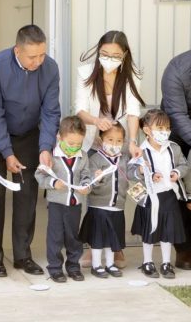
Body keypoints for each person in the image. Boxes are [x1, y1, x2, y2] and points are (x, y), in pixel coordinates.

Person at [0, 25, 61, 277]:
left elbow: (51, 112)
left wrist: (45, 147)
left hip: (30, 135)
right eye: (32, 57)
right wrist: (6, 152)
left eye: (42, 55)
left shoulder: (50, 68)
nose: (38, 61)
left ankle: (23, 255)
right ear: (17, 50)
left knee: (27, 196)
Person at [75, 30, 145, 268]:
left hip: (120, 140)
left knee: (120, 192)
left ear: (124, 55)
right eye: (104, 53)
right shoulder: (86, 72)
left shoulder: (131, 76)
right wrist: (96, 121)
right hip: (94, 141)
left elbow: (134, 111)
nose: (109, 58)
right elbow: (80, 109)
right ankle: (92, 246)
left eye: (115, 55)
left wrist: (133, 141)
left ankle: (116, 248)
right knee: (95, 191)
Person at [130, 109, 188, 279]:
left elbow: (184, 165)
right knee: (150, 230)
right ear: (147, 130)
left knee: (167, 231)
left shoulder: (174, 148)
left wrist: (177, 172)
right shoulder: (140, 150)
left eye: (167, 128)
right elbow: (130, 170)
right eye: (160, 128)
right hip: (149, 197)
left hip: (169, 195)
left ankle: (166, 262)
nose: (165, 132)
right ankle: (147, 262)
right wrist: (143, 172)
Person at [35, 116, 90, 283]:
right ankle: (55, 268)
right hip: (57, 204)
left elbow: (86, 175)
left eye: (78, 144)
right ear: (60, 137)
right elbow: (39, 176)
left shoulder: (83, 156)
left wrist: (87, 186)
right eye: (70, 144)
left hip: (75, 204)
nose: (74, 147)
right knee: (55, 237)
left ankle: (73, 266)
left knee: (73, 237)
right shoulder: (51, 155)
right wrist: (53, 183)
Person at [79, 122, 129, 278]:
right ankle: (96, 265)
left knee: (111, 239)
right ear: (101, 139)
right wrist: (97, 177)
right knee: (98, 239)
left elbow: (133, 175)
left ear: (123, 142)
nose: (114, 144)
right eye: (110, 140)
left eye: (119, 141)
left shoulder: (124, 160)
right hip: (99, 207)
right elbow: (91, 184)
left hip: (117, 207)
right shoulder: (95, 159)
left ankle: (110, 264)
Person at [161, 49, 191, 270]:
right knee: (179, 189)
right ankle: (184, 249)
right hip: (177, 129)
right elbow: (178, 115)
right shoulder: (176, 70)